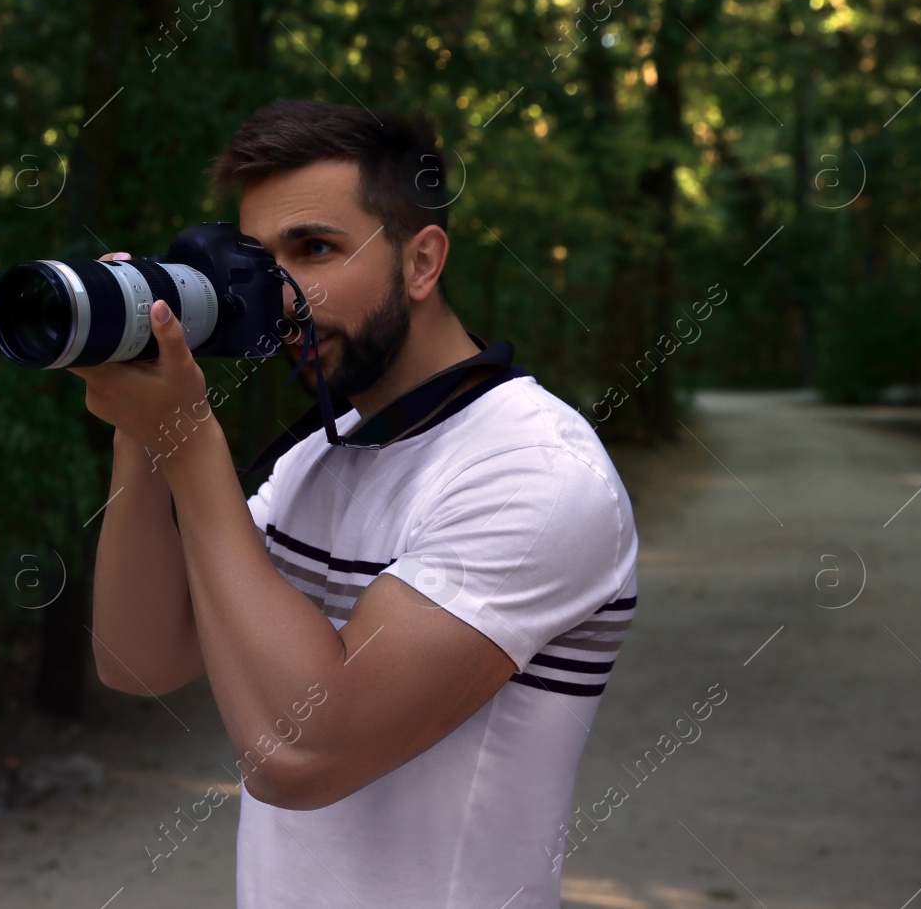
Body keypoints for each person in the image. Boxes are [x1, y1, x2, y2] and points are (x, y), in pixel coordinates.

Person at [73, 98, 639, 908]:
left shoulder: (537, 473)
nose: (278, 293)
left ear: (421, 262)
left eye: (314, 248)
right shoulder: (318, 454)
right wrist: (143, 427)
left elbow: (300, 756)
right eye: (258, 260)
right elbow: (137, 659)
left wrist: (191, 441)